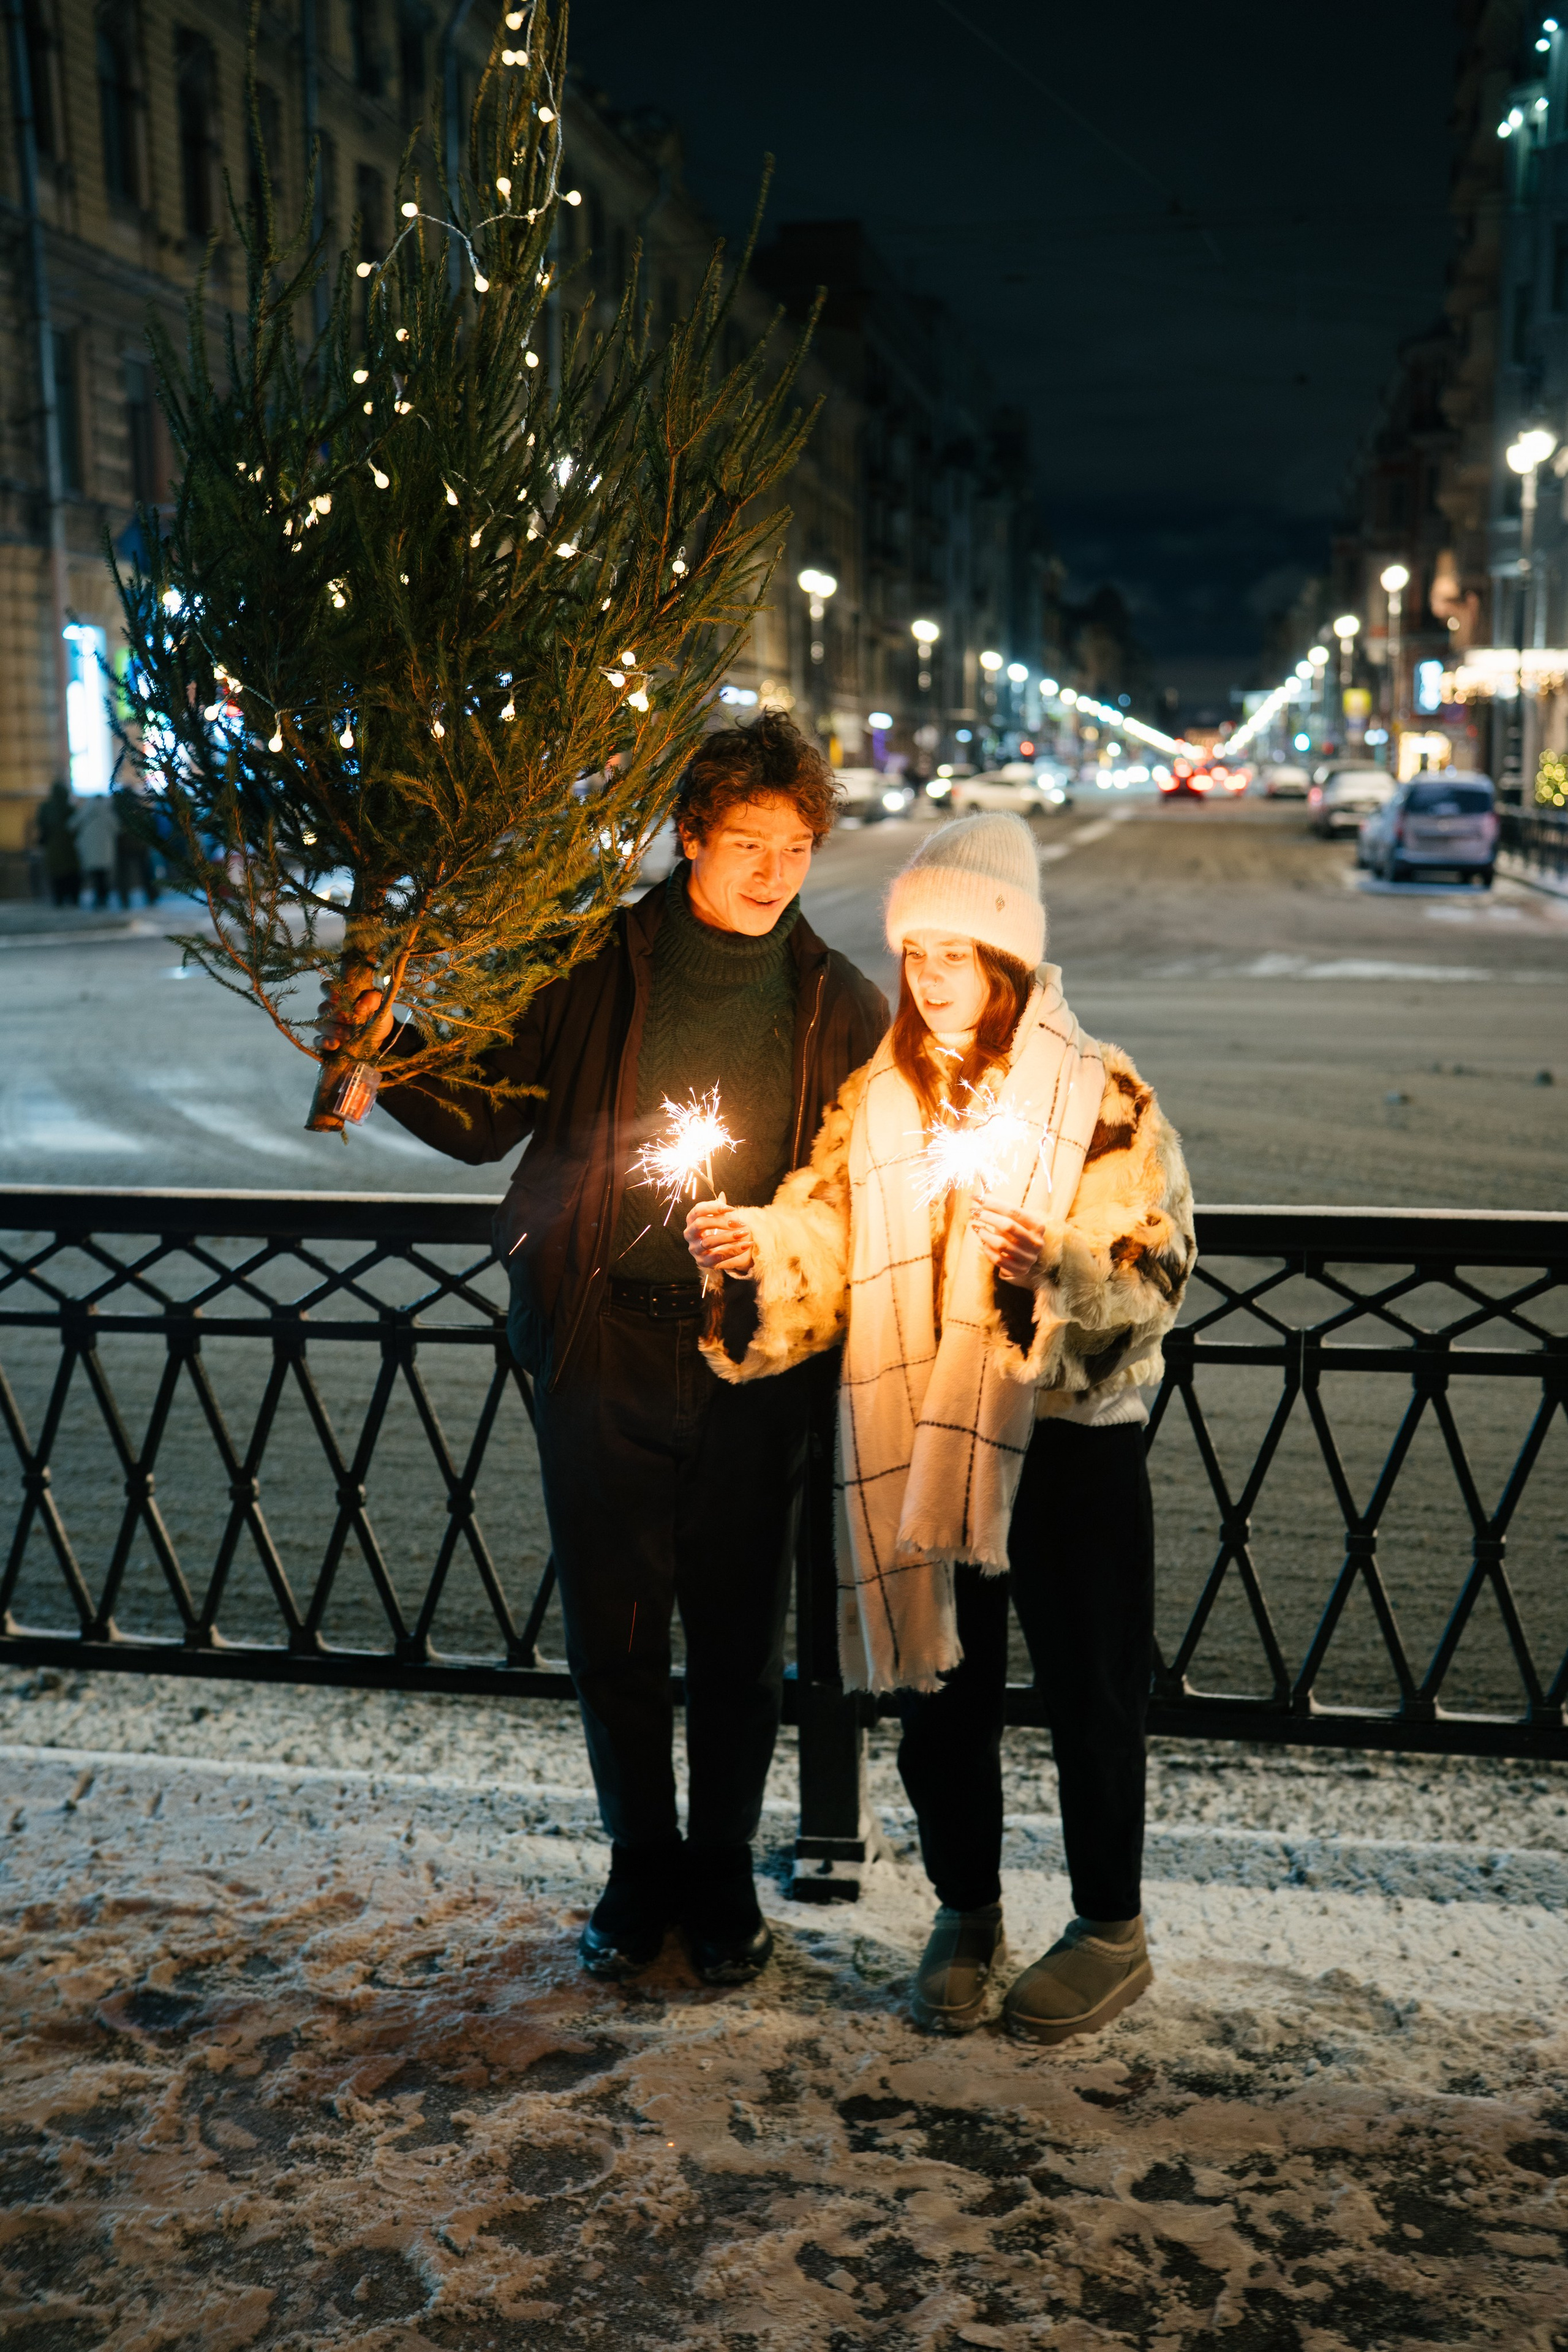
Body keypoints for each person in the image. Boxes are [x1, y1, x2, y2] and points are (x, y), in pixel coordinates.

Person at [315, 714, 886, 1985]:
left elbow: (866, 1193)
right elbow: (488, 1111)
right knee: (616, 1629)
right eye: (746, 840)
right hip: (600, 1341)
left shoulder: (835, 1003)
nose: (772, 869)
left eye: (794, 845)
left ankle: (725, 1871)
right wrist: (382, 1046)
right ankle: (640, 1864)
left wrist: (783, 1248)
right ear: (690, 834)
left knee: (739, 1638)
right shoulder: (599, 966)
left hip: (754, 1360)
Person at [687, 813, 1196, 2041]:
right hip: (919, 1435)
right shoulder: (882, 1100)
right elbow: (827, 1233)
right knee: (940, 1696)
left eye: (956, 956)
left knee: (1090, 1691)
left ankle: (1108, 1928)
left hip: (1067, 1440)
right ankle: (964, 1909)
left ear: (1009, 966)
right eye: (915, 956)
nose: (927, 978)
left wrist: (1056, 1267)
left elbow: (1155, 1261)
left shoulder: (1099, 1093)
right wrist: (757, 1248)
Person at [36, 779, 80, 907]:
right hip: (68, 848)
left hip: (53, 847)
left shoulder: (46, 808)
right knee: (71, 874)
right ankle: (73, 898)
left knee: (57, 874)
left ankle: (59, 899)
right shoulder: (69, 808)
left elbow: (41, 825)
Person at [72, 791, 119, 909]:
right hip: (105, 850)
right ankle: (104, 898)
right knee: (104, 876)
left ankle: (98, 898)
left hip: (90, 849)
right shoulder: (107, 811)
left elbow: (72, 824)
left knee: (95, 876)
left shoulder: (86, 809)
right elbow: (117, 828)